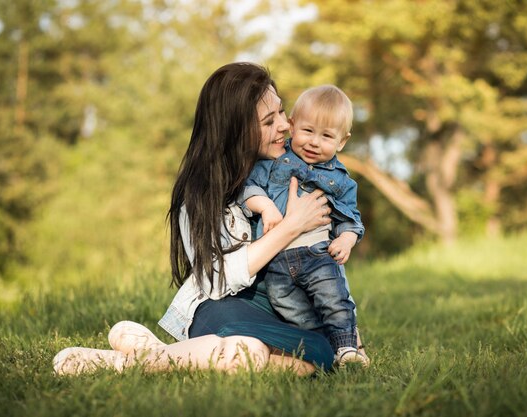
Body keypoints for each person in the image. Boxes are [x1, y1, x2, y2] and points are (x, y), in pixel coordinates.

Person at [52, 63, 366, 376]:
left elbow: (321, 261)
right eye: (269, 121)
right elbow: (217, 280)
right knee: (249, 352)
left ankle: (160, 354)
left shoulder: (297, 168)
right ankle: (125, 364)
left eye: (282, 113)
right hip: (223, 303)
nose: (285, 126)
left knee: (317, 358)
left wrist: (351, 336)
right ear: (236, 130)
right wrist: (291, 226)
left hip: (283, 306)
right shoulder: (201, 192)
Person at [237, 85, 368, 366]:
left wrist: (345, 240)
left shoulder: (342, 181)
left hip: (317, 255)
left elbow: (351, 220)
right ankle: (321, 346)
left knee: (333, 299)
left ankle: (347, 347)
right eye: (308, 131)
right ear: (293, 126)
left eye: (326, 136)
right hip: (275, 263)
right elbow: (248, 188)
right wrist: (266, 206)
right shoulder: (272, 162)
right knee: (291, 309)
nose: (314, 143)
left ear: (341, 142)